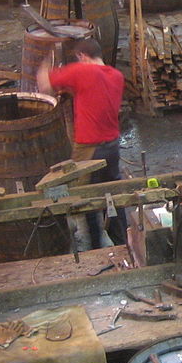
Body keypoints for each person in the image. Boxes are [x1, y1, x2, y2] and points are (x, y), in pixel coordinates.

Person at [37, 35, 126, 249]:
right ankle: (123, 242)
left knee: (84, 199)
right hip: (112, 145)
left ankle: (95, 247)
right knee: (112, 195)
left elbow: (44, 84)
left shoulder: (81, 71)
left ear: (82, 56)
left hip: (89, 149)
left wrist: (46, 57)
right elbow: (95, 94)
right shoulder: (116, 75)